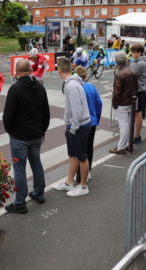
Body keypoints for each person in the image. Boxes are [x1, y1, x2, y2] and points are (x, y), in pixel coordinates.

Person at [3, 59, 50, 214]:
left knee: (19, 169)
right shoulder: (40, 87)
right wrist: (43, 130)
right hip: (36, 134)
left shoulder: (15, 89)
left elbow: (8, 116)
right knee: (36, 162)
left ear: (17, 72)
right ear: (30, 71)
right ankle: (39, 193)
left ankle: (19, 203)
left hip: (20, 136)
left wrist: (10, 131)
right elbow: (46, 113)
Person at [54, 57, 91, 197]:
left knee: (81, 156)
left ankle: (83, 186)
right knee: (73, 155)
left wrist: (73, 129)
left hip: (78, 126)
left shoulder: (71, 86)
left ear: (59, 70)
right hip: (77, 125)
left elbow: (77, 111)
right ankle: (69, 183)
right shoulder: (74, 83)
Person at [73, 66, 102, 184]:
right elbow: (99, 102)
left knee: (78, 148)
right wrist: (97, 117)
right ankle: (88, 170)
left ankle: (79, 173)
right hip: (92, 120)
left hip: (81, 122)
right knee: (89, 146)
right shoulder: (90, 86)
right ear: (85, 76)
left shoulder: (76, 88)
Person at [110, 51, 137, 154]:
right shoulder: (132, 71)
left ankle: (121, 146)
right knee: (129, 124)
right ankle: (128, 143)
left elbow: (117, 91)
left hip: (122, 103)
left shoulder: (119, 74)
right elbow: (136, 87)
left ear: (117, 62)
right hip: (132, 101)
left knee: (124, 125)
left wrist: (115, 103)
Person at [130, 45, 146, 145]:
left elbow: (131, 75)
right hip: (136, 91)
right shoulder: (136, 62)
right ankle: (134, 135)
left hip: (139, 92)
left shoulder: (141, 63)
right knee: (135, 114)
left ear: (139, 53)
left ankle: (137, 136)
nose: (132, 54)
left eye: (134, 52)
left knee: (138, 114)